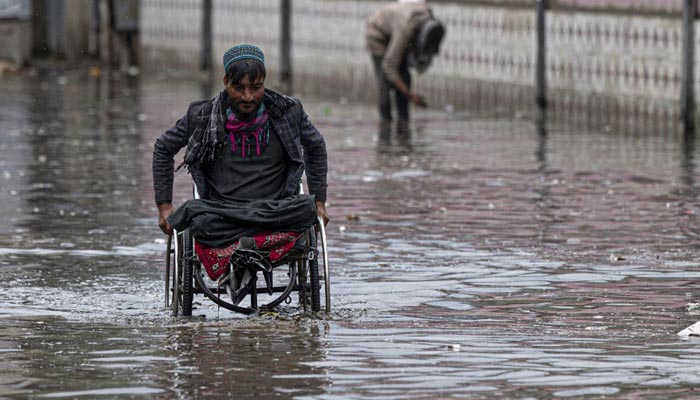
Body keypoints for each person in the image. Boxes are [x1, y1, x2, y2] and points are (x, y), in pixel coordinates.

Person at [152, 44, 329, 238]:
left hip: (275, 212)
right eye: (238, 88)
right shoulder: (202, 116)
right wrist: (164, 206)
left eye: (255, 87)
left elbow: (316, 146)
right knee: (193, 217)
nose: (248, 97)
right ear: (226, 82)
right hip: (222, 215)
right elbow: (163, 147)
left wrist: (319, 202)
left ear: (264, 83)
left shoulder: (288, 112)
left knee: (306, 207)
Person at [365, 0, 445, 129]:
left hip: (395, 28)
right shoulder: (404, 30)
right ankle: (386, 125)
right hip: (377, 33)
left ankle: (403, 122)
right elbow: (389, 67)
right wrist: (410, 95)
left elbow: (424, 53)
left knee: (404, 76)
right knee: (385, 84)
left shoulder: (428, 17)